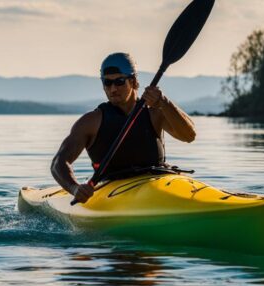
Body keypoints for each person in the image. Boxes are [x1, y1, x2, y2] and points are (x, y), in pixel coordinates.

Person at [51, 52, 196, 203]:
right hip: (113, 189)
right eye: (107, 83)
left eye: (119, 81)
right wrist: (74, 188)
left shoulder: (155, 113)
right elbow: (58, 163)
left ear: (134, 82)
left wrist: (164, 102)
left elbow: (189, 136)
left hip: (158, 181)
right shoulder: (91, 122)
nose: (113, 89)